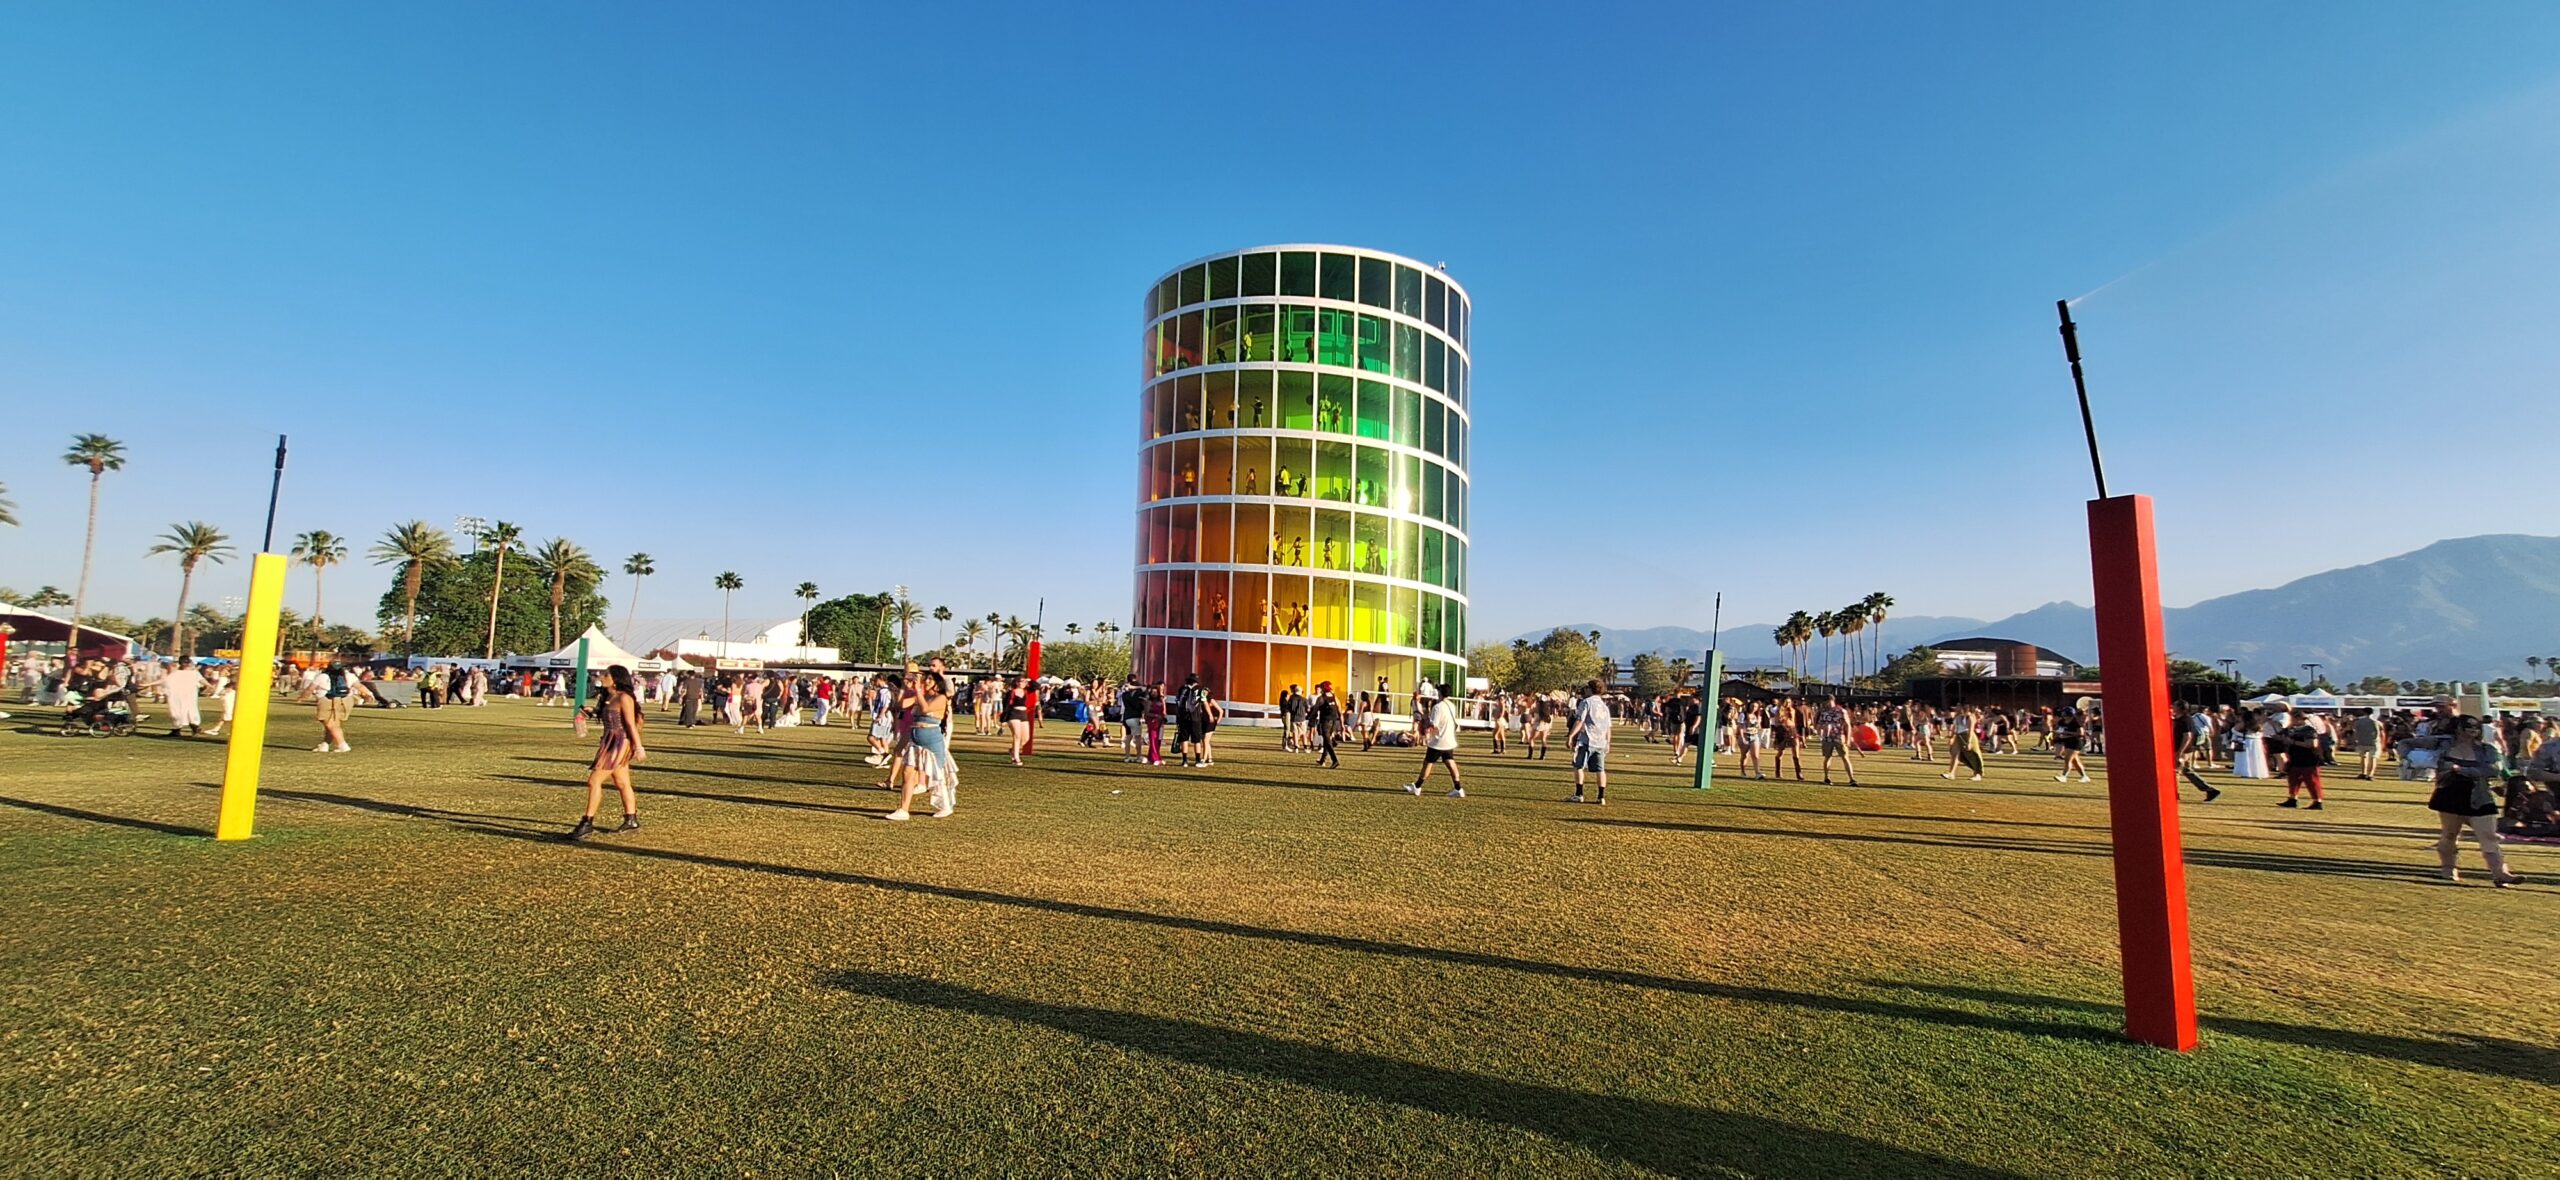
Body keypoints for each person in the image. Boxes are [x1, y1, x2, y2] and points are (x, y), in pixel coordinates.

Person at [2427, 715, 2521, 886]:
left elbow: (2492, 770)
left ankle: (2501, 873)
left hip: (2480, 796)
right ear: (2457, 728)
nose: (2473, 729)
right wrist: (2410, 758)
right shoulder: (2443, 745)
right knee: (2450, 834)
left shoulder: (2487, 749)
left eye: (2476, 727)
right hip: (2449, 795)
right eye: (2468, 726)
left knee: (2489, 835)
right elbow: (2407, 744)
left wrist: (2461, 770)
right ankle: (2448, 869)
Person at [566, 665, 646, 839]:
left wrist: (638, 747)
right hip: (609, 741)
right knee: (622, 783)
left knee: (594, 780)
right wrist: (593, 712)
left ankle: (587, 822)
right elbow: (609, 716)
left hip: (619, 743)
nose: (601, 677)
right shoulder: (610, 697)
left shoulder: (625, 697)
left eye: (606, 674)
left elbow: (631, 724)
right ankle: (631, 820)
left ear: (615, 678)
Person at [883, 670, 957, 821]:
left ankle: (945, 806)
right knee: (907, 773)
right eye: (926, 679)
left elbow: (926, 709)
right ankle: (903, 810)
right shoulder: (922, 696)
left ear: (937, 683)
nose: (926, 681)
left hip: (932, 739)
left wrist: (918, 692)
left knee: (938, 774)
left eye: (930, 679)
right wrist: (905, 688)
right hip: (915, 739)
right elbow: (901, 704)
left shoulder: (941, 697)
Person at [1403, 683, 1465, 798]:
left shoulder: (1438, 707)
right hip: (1448, 740)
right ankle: (1458, 788)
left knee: (1427, 764)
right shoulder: (1452, 705)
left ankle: (1417, 787)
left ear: (1440, 693)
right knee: (1450, 763)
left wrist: (1424, 719)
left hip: (1438, 741)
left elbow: (1434, 725)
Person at [1566, 679, 1613, 804]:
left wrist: (1571, 736)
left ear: (1590, 689)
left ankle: (1579, 794)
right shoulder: (1604, 706)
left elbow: (1580, 721)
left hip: (1587, 740)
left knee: (1578, 766)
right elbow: (1608, 727)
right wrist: (1608, 742)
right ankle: (1601, 797)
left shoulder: (1586, 702)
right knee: (1600, 770)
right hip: (1601, 742)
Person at [2276, 712, 2326, 810]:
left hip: (2308, 758)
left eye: (2294, 718)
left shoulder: (2309, 730)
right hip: (2295, 758)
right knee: (2293, 779)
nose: (2292, 721)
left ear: (2300, 719)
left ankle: (2317, 801)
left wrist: (2293, 742)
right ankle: (2293, 798)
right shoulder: (2291, 730)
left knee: (2311, 781)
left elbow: (2312, 744)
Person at [1814, 697, 1859, 786]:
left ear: (1831, 700)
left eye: (1826, 701)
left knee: (1845, 757)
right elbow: (1819, 724)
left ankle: (1852, 779)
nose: (1825, 703)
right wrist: (1821, 730)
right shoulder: (1823, 712)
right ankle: (1826, 778)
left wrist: (1848, 738)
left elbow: (1847, 725)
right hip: (1827, 738)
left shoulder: (1841, 711)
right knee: (1827, 757)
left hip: (1839, 736)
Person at [313, 662, 355, 753]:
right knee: (334, 724)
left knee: (330, 724)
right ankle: (325, 745)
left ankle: (342, 744)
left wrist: (302, 697)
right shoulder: (348, 676)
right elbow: (359, 685)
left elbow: (311, 687)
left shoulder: (323, 676)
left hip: (327, 700)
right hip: (344, 700)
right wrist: (369, 694)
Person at [161, 661, 204, 737]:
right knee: (183, 712)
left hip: (184, 696)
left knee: (183, 711)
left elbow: (164, 681)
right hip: (182, 696)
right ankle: (179, 729)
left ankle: (193, 728)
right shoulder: (180, 674)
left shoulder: (189, 673)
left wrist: (147, 684)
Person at [1002, 675, 1034, 766]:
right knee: (1017, 736)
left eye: (1024, 681)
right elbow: (1006, 706)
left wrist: (1029, 679)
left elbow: (1036, 686)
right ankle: (1016, 758)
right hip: (1013, 713)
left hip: (1023, 714)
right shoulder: (1011, 692)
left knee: (1025, 738)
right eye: (1020, 681)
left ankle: (1012, 750)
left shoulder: (1026, 691)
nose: (1022, 683)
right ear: (1016, 682)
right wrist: (1003, 720)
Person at [1309, 681, 1342, 769]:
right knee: (1326, 740)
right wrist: (1342, 725)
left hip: (1325, 722)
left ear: (1323, 688)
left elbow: (1315, 711)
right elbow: (1340, 711)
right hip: (1334, 722)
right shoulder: (1335, 697)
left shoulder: (1321, 698)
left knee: (1327, 741)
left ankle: (1335, 760)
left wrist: (1310, 719)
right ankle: (1322, 760)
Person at [2052, 707, 2089, 783]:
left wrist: (2067, 733)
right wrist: (2056, 735)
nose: (2063, 714)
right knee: (2075, 761)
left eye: (2065, 713)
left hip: (2076, 742)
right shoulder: (2062, 721)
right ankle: (2084, 776)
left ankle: (2064, 776)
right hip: (2067, 741)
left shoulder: (2076, 722)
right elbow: (2059, 730)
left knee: (2067, 759)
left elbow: (2080, 733)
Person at [1118, 677, 1149, 763]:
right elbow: (1144, 690)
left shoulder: (1125, 695)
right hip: (1134, 717)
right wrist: (1138, 688)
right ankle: (1139, 756)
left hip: (1126, 717)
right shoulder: (1137, 695)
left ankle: (1127, 756)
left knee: (1128, 738)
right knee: (1138, 738)